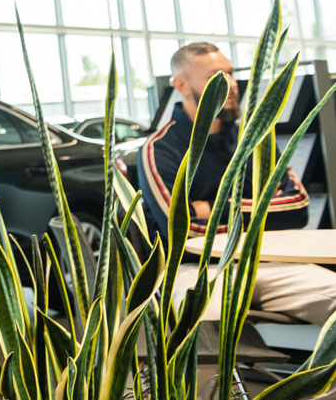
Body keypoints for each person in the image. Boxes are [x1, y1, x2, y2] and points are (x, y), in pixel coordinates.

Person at [137, 41, 336, 324]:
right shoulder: (160, 149)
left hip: (267, 262)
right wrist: (262, 210)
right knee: (205, 320)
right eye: (216, 77)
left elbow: (297, 209)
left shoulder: (255, 139)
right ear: (181, 86)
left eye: (231, 73)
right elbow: (185, 232)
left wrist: (212, 208)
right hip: (198, 270)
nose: (232, 84)